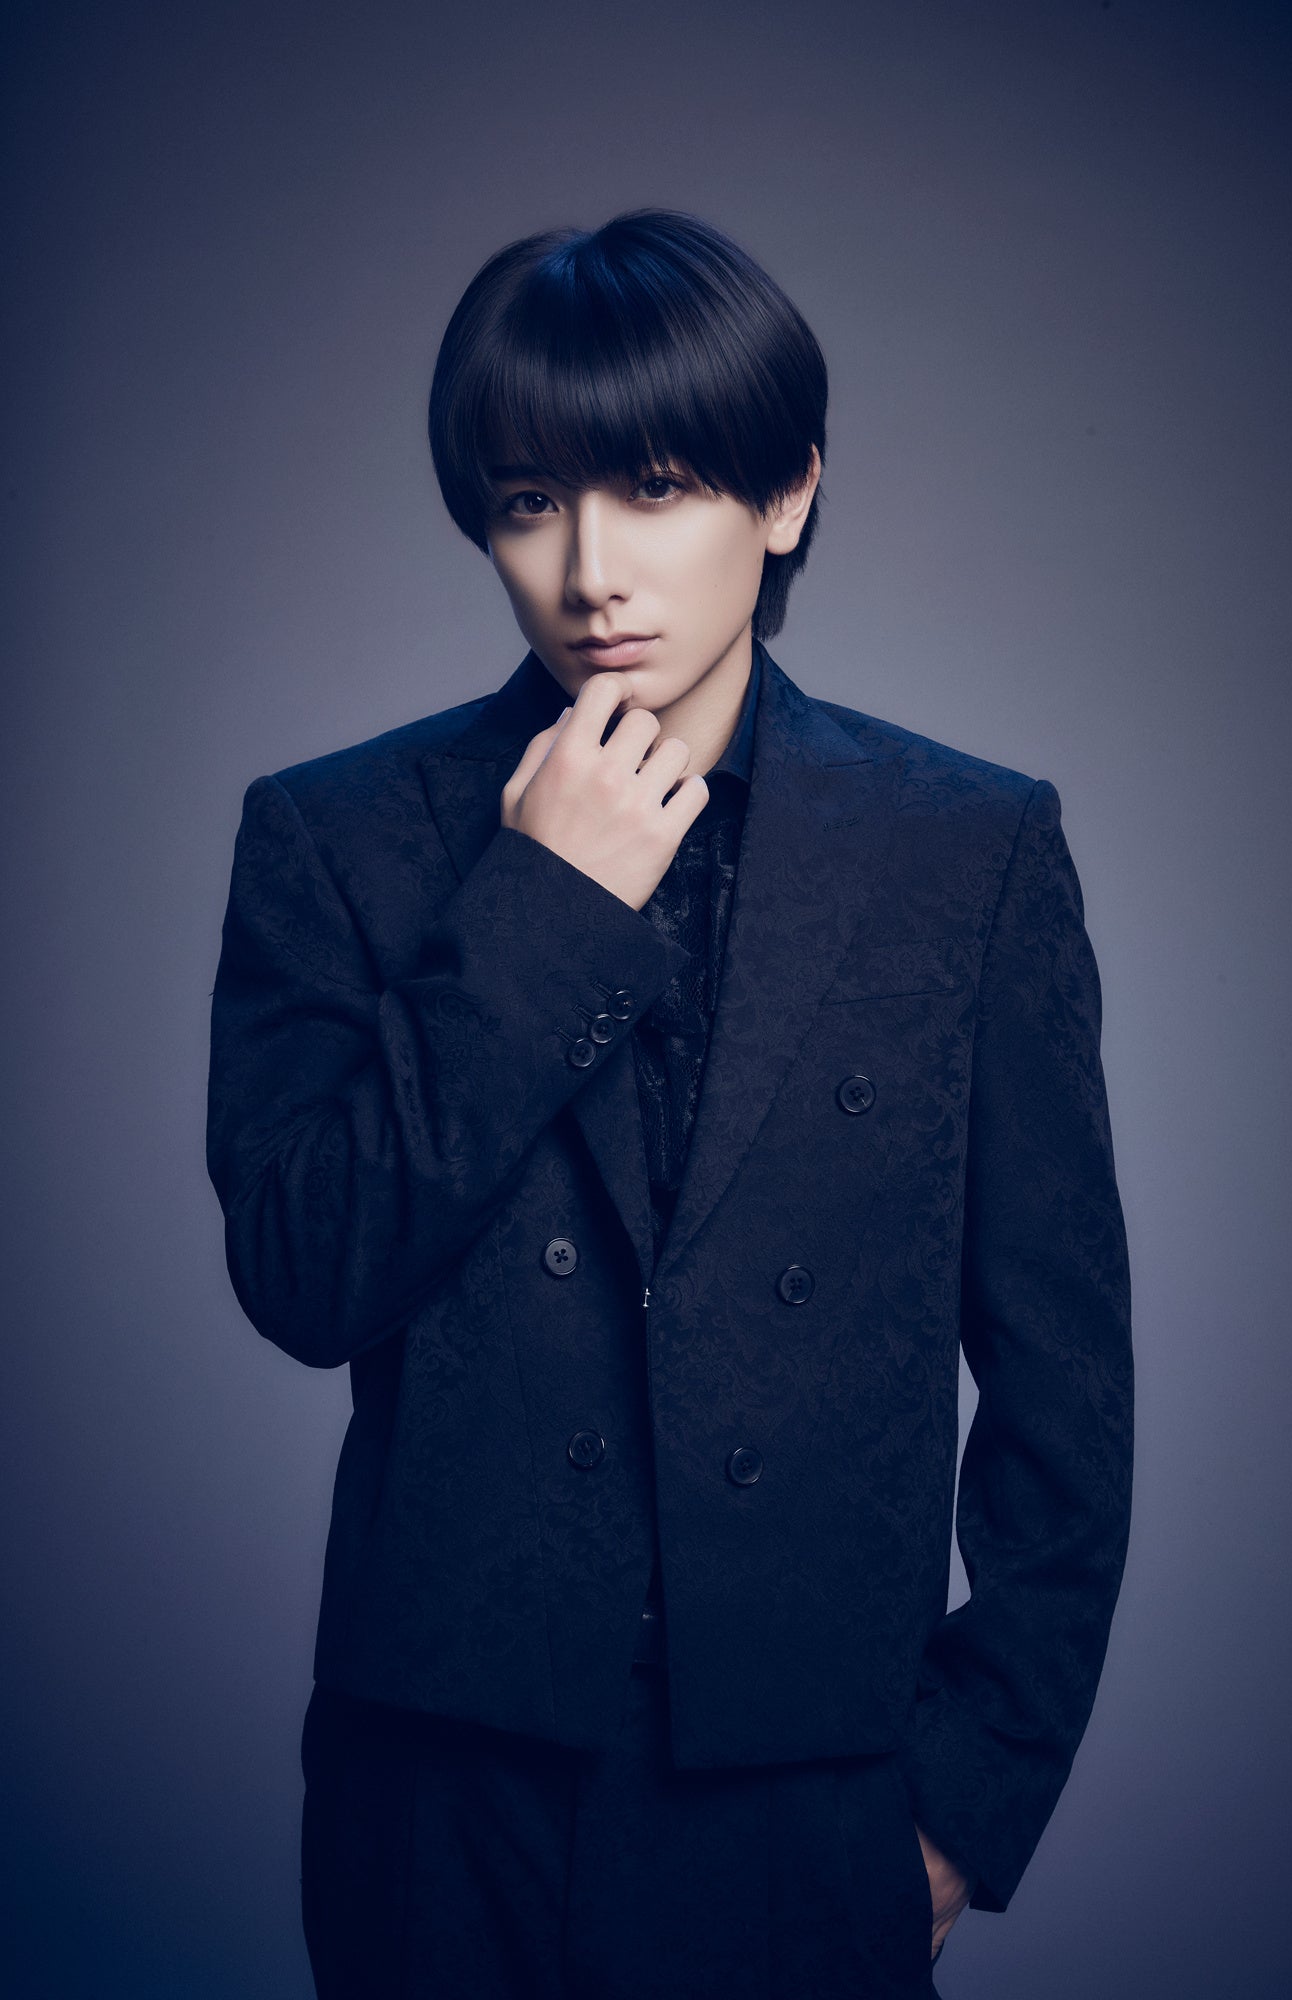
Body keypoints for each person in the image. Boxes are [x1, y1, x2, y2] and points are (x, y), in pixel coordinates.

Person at [206, 208, 1133, 1999]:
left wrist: (967, 1796)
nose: (588, 573)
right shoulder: (337, 836)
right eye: (527, 500)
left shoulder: (965, 852)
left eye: (651, 488)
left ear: (785, 494)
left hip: (804, 1806)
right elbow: (303, 1276)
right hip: (442, 1798)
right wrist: (541, 907)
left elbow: (1063, 1380)